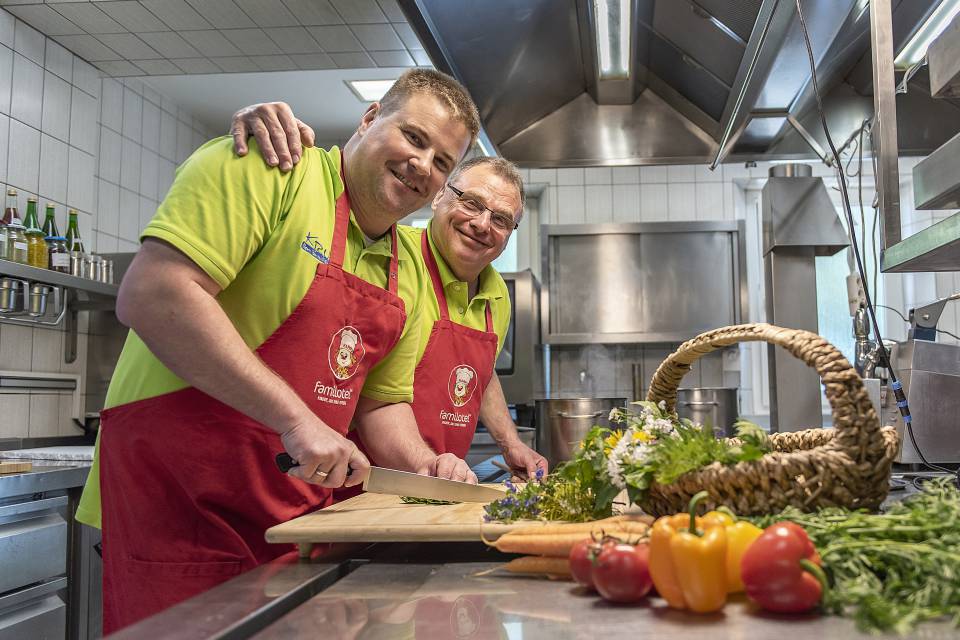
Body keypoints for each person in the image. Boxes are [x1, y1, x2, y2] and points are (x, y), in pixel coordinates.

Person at [78, 69, 482, 633]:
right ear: (368, 119)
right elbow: (154, 294)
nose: (423, 166)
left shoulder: (409, 267)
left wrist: (426, 467)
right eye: (414, 138)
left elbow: (380, 404)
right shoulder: (271, 167)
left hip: (297, 517)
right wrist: (297, 420)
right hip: (180, 499)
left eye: (443, 161)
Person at [231, 104, 548, 480]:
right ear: (438, 196)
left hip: (437, 479)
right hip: (360, 477)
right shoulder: (391, 257)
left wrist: (509, 442)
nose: (482, 225)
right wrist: (265, 122)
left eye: (500, 220)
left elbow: (481, 372)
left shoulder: (497, 294)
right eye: (471, 203)